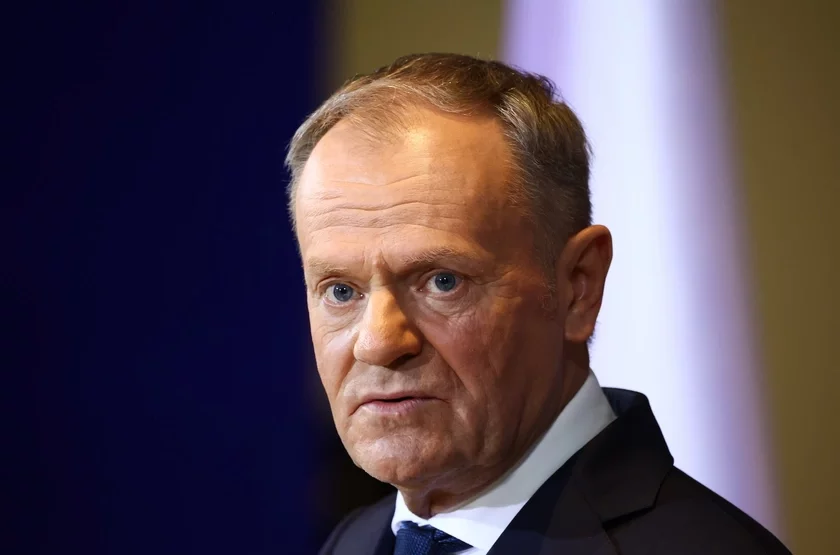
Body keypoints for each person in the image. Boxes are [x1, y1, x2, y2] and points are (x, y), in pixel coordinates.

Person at [286, 53, 791, 555]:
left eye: (442, 281)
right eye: (340, 291)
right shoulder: (351, 544)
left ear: (578, 286)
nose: (377, 343)